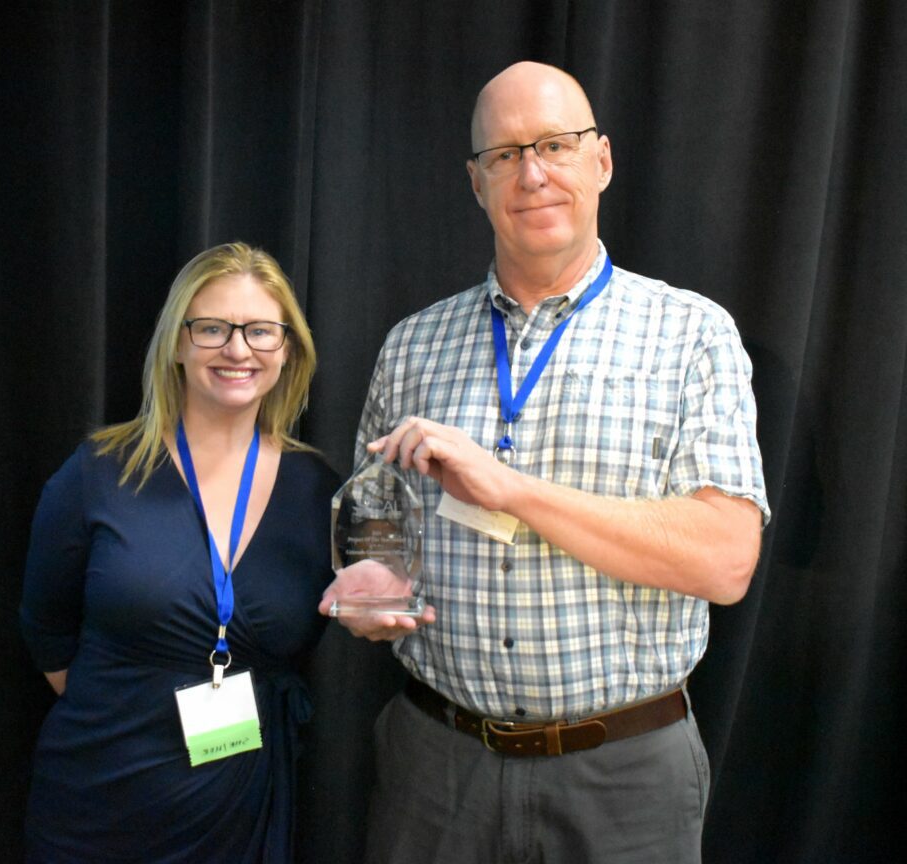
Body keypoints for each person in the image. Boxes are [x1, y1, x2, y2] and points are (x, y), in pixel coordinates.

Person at [319, 62, 770, 864]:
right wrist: (371, 592)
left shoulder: (692, 335)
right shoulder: (413, 346)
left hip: (625, 778)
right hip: (437, 770)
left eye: (555, 145)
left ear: (601, 161)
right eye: (505, 154)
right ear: (476, 181)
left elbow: (726, 561)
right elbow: (377, 528)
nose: (532, 173)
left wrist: (513, 490)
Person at [21, 242, 338, 863]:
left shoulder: (318, 489)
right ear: (177, 342)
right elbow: (45, 629)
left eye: (260, 331)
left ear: (289, 350)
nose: (238, 349)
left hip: (241, 803)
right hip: (100, 798)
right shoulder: (99, 472)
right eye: (213, 328)